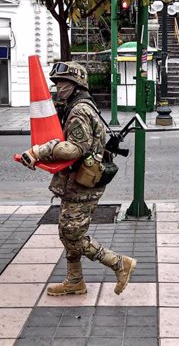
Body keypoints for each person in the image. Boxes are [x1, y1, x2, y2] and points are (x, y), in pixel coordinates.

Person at [20, 61, 136, 296]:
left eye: (63, 82)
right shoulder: (77, 105)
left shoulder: (79, 110)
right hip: (78, 181)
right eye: (57, 82)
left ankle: (118, 263)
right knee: (68, 232)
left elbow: (75, 149)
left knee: (72, 235)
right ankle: (74, 280)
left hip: (83, 183)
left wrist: (39, 151)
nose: (58, 86)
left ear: (76, 84)